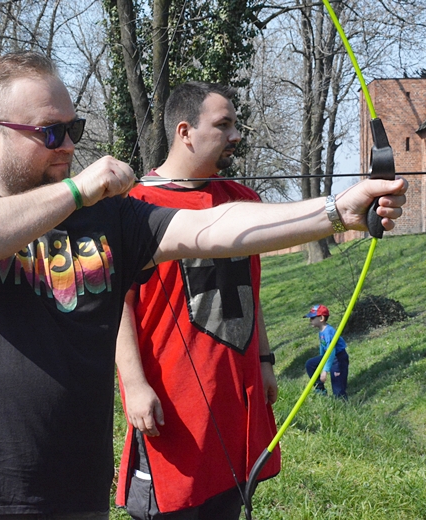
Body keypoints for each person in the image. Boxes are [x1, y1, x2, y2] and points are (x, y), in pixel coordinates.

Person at [0, 51, 406, 519]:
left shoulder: (108, 220)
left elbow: (208, 229)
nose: (70, 146)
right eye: (51, 134)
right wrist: (78, 191)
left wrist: (336, 212)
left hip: (75, 498)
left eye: (73, 128)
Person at [114, 81, 281, 520]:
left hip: (234, 396)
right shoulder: (134, 205)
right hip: (175, 401)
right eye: (223, 125)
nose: (236, 135)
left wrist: (265, 360)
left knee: (227, 501)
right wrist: (134, 385)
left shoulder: (243, 203)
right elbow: (117, 305)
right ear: (185, 132)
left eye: (235, 124)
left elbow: (251, 290)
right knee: (171, 505)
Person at [304, 305, 349, 398]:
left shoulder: (328, 331)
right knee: (310, 364)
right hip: (330, 356)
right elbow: (322, 346)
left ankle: (342, 403)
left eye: (312, 318)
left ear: (321, 318)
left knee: (338, 389)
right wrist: (322, 361)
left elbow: (331, 351)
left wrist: (325, 370)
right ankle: (320, 389)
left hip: (338, 359)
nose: (310, 320)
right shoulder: (321, 330)